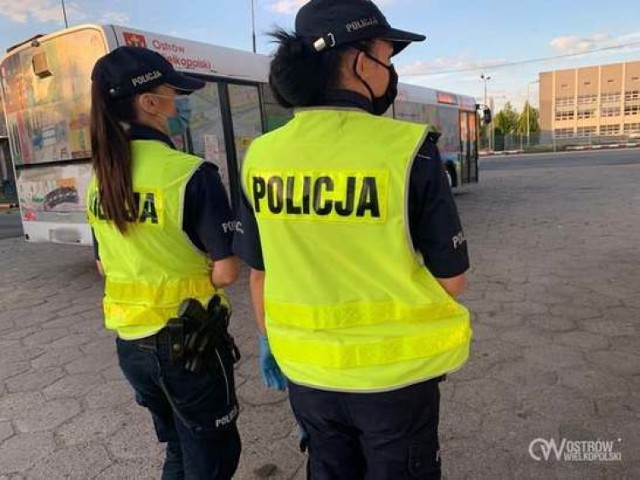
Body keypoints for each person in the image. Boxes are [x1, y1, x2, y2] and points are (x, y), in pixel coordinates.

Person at [233, 0, 473, 478]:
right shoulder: (408, 151)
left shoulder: (261, 155)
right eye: (388, 58)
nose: (390, 71)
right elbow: (453, 281)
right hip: (396, 384)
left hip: (307, 376)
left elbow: (259, 273)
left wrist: (270, 340)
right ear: (361, 62)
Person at [87, 46, 241, 480]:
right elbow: (226, 271)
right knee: (212, 458)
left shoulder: (98, 180)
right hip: (188, 346)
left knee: (177, 447)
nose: (179, 104)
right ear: (148, 102)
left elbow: (103, 266)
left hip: (130, 345)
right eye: (173, 93)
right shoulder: (190, 174)